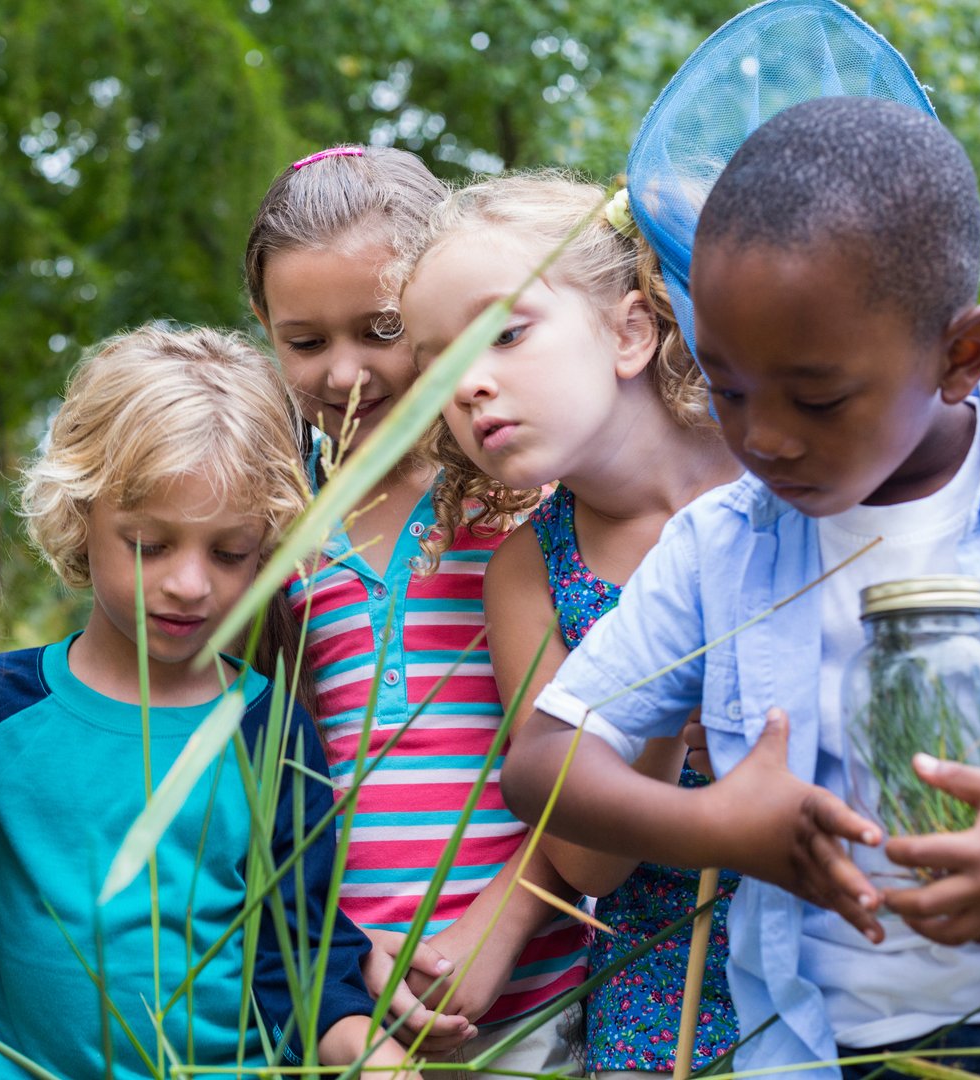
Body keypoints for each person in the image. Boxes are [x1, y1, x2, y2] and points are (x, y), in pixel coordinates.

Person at [502, 96, 980, 1078]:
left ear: (960, 354)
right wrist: (713, 825)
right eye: (726, 385)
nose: (763, 438)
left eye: (819, 396)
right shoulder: (719, 545)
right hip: (835, 1050)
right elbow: (545, 760)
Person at [0, 325, 414, 1080]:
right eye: (150, 543)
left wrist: (374, 1058)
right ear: (82, 517)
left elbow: (305, 957)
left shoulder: (274, 732)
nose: (190, 584)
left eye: (229, 552)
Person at [246, 146, 589, 1073]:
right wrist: (343, 968)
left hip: (543, 1001)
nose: (345, 373)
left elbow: (578, 759)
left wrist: (509, 915)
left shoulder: (534, 502)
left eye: (382, 329)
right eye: (306, 342)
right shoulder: (266, 538)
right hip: (347, 1011)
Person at [397, 171, 746, 1076]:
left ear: (630, 330)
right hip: (666, 981)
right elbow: (585, 862)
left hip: (842, 934)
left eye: (507, 333)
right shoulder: (526, 572)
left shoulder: (779, 480)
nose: (469, 385)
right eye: (438, 365)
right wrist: (661, 702)